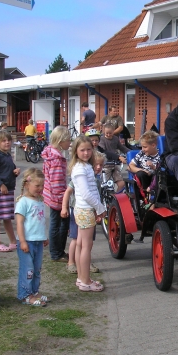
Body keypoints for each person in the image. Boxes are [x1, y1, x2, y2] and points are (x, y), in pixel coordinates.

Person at [69, 136, 106, 292]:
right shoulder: (80, 169)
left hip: (84, 209)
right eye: (82, 150)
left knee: (80, 244)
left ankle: (81, 277)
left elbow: (91, 190)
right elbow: (86, 193)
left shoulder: (84, 166)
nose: (86, 153)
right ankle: (85, 281)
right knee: (86, 246)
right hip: (85, 210)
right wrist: (100, 207)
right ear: (76, 151)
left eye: (89, 149)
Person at [61, 151, 104, 275]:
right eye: (96, 164)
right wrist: (64, 207)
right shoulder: (80, 175)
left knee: (87, 241)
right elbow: (68, 191)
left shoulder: (96, 179)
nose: (98, 167)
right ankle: (71, 262)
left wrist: (98, 211)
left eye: (101, 165)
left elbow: (97, 196)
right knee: (76, 239)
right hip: (80, 210)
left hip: (91, 211)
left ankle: (85, 263)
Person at [15, 168, 50, 306]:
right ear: (27, 184)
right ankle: (25, 294)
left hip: (38, 241)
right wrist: (22, 241)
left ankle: (34, 291)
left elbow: (40, 221)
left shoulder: (40, 201)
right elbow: (19, 223)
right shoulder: (23, 202)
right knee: (27, 269)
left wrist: (44, 236)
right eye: (37, 185)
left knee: (36, 269)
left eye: (42, 185)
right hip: (27, 242)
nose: (40, 188)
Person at [41, 125, 72, 262]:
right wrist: (63, 200)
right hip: (57, 197)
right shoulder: (57, 159)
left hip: (50, 194)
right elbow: (57, 181)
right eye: (68, 140)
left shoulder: (49, 154)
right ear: (60, 141)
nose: (70, 143)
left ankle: (58, 251)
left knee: (56, 224)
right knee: (59, 225)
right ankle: (57, 253)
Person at [0, 130, 20, 252]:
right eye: (4, 141)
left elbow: (10, 169)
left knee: (7, 217)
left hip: (9, 189)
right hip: (0, 191)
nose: (7, 143)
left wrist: (15, 172)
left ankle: (12, 241)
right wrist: (0, 184)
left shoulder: (8, 155)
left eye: (9, 140)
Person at [99, 122, 129, 192]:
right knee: (106, 185)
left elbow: (121, 147)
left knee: (122, 184)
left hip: (115, 164)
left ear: (113, 131)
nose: (108, 135)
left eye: (110, 133)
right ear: (104, 132)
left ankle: (115, 197)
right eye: (107, 133)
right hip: (106, 164)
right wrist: (117, 156)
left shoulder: (115, 138)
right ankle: (104, 196)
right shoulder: (102, 139)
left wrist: (130, 152)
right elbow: (103, 151)